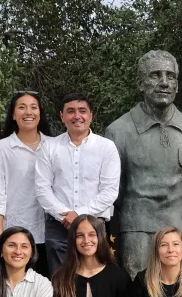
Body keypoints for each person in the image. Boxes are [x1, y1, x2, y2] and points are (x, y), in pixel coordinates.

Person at [106, 50, 182, 277]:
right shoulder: (118, 132)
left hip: (180, 229)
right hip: (136, 230)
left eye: (171, 76)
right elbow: (115, 191)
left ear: (177, 85)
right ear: (140, 83)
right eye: (155, 75)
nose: (164, 82)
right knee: (137, 292)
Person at [35, 93, 121, 275]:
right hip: (58, 225)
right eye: (70, 111)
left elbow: (110, 191)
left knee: (94, 278)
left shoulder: (106, 147)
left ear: (91, 115)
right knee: (60, 281)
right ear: (62, 116)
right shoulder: (49, 147)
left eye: (82, 111)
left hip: (94, 225)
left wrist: (79, 215)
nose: (77, 116)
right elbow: (42, 189)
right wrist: (65, 215)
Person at [0, 91, 52, 271]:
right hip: (16, 235)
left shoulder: (54, 145)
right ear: (13, 115)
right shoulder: (2, 148)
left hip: (50, 234)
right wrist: (0, 236)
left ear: (40, 113)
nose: (28, 112)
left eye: (33, 107)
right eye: (22, 107)